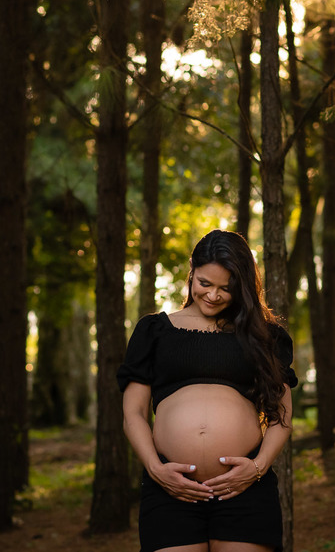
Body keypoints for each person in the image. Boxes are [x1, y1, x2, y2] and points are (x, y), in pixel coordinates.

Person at [118, 229, 297, 552]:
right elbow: (133, 413)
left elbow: (282, 414)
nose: (213, 295)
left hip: (243, 489)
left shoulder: (264, 336)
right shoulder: (154, 331)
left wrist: (257, 469)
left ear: (241, 287)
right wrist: (155, 469)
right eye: (205, 283)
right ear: (192, 274)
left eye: (226, 288)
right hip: (170, 489)